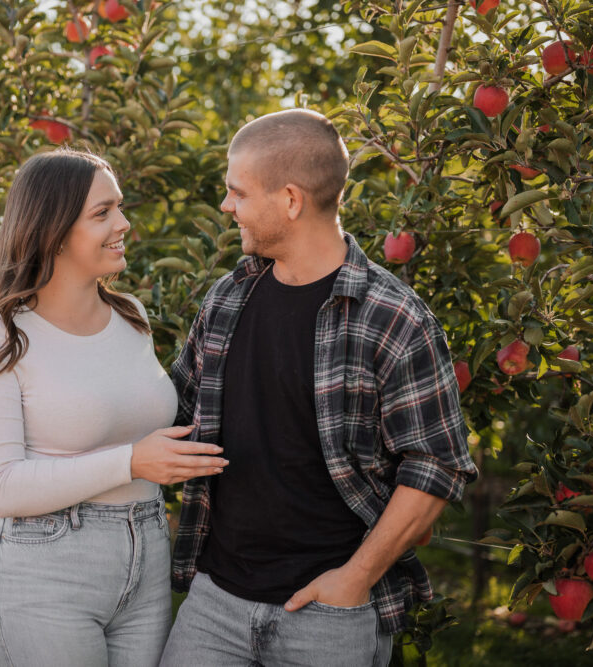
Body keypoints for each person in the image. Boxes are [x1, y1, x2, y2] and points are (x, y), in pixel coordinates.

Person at [159, 109, 479, 667]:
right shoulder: (228, 298)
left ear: (290, 200)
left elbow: (437, 466)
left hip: (331, 616)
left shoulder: (394, 317)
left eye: (237, 192)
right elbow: (171, 413)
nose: (226, 206)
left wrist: (353, 580)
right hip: (216, 602)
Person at [0, 149, 229, 666]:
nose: (123, 224)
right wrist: (130, 462)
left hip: (145, 556)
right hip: (46, 571)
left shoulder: (132, 317)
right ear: (54, 232)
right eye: (102, 213)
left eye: (119, 208)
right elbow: (3, 488)